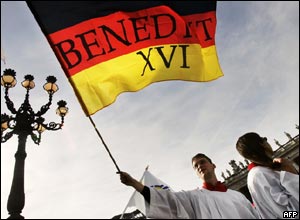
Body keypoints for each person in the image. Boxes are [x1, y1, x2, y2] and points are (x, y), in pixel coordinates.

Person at [118, 153, 260, 219]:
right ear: (196, 173)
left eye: (203, 162)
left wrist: (284, 215)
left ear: (213, 165)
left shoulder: (238, 196)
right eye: (196, 166)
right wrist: (134, 184)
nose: (200, 166)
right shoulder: (193, 197)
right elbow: (167, 200)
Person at [236, 132, 299, 219]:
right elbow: (284, 214)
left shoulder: (263, 171)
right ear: (261, 146)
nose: (267, 141)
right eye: (264, 139)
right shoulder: (259, 175)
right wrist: (291, 174)